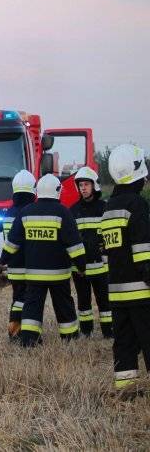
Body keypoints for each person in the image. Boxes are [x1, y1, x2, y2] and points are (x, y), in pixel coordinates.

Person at [3, 174, 87, 347]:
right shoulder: (64, 212)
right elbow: (74, 243)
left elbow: (13, 241)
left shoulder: (26, 212)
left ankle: (28, 340)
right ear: (57, 191)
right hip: (59, 274)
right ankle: (70, 337)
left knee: (32, 306)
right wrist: (81, 265)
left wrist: (4, 259)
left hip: (34, 274)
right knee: (64, 305)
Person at [101, 144, 150, 390]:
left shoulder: (109, 207)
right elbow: (143, 249)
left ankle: (127, 389)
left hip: (117, 290)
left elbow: (107, 247)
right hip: (141, 290)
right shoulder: (137, 205)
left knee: (124, 342)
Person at [69, 167, 112, 337]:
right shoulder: (73, 210)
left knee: (105, 302)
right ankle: (86, 332)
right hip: (80, 267)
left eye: (86, 184)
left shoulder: (105, 208)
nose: (83, 188)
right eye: (80, 185)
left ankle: (109, 332)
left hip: (102, 266)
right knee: (83, 301)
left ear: (94, 186)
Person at [0, 169, 37, 340]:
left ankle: (14, 330)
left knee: (17, 298)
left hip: (14, 267)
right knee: (28, 301)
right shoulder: (31, 212)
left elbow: (5, 239)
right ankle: (26, 334)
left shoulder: (8, 213)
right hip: (29, 265)